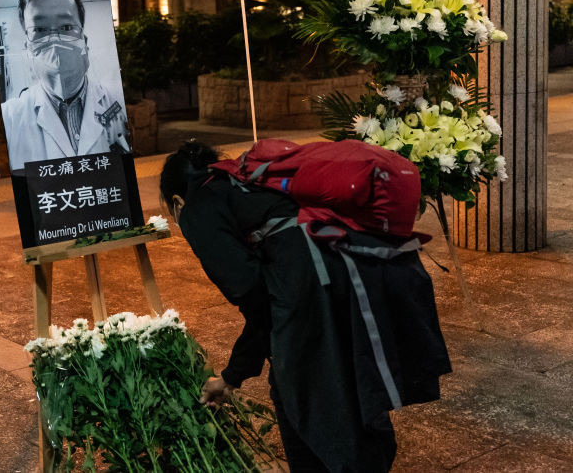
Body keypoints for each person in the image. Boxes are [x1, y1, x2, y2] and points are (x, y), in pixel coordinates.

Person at [160, 141, 452, 473]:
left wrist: (231, 375)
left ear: (177, 202)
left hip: (311, 283)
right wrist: (238, 372)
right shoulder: (240, 179)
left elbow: (253, 294)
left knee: (307, 398)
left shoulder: (197, 208)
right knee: (344, 379)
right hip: (346, 263)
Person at [1, 0, 130, 171]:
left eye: (67, 27)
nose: (55, 40)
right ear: (28, 47)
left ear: (84, 42)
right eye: (40, 30)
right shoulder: (10, 118)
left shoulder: (117, 104)